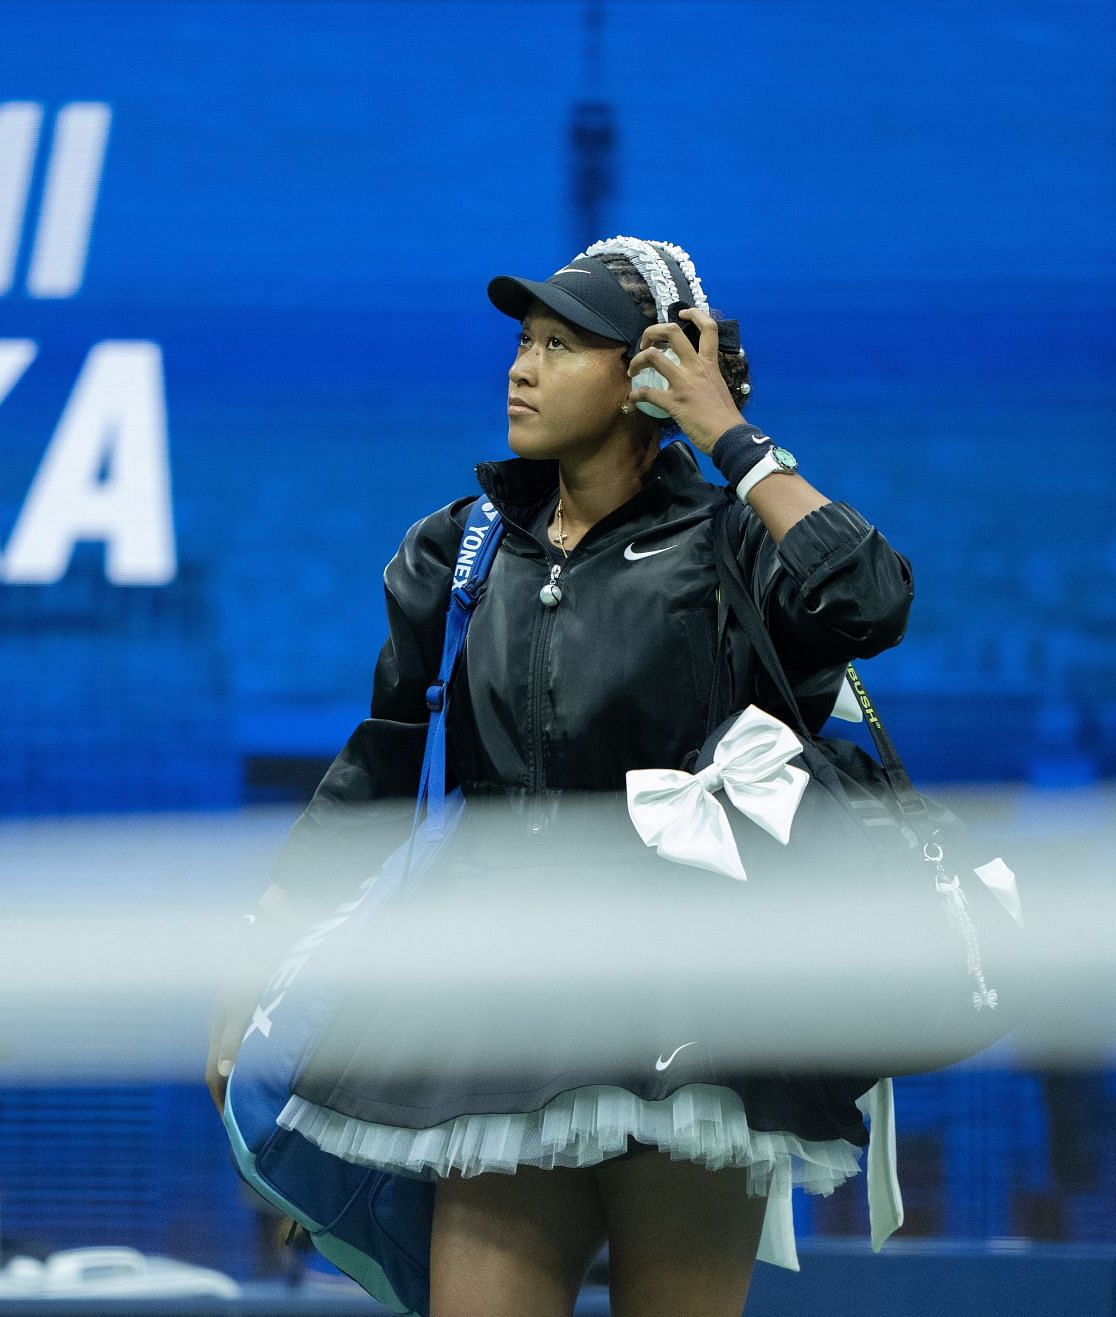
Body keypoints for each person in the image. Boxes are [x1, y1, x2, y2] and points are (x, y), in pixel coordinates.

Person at [207, 236, 914, 1317]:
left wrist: (725, 431)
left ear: (647, 373)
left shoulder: (734, 543)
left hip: (698, 1021)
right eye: (521, 342)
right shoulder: (461, 552)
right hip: (497, 1006)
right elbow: (383, 762)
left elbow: (870, 601)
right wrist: (256, 962)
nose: (520, 368)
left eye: (559, 344)